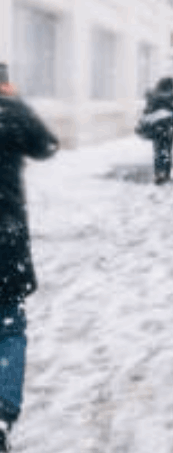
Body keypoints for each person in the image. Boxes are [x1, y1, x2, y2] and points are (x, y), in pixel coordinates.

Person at [0, 78, 59, 451]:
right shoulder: (10, 113)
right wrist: (16, 105)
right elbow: (46, 145)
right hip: (5, 236)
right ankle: (2, 411)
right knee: (9, 328)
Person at [139, 76, 173, 184]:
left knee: (158, 150)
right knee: (168, 150)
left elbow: (147, 111)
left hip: (157, 128)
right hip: (171, 128)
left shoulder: (155, 96)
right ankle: (166, 173)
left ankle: (158, 173)